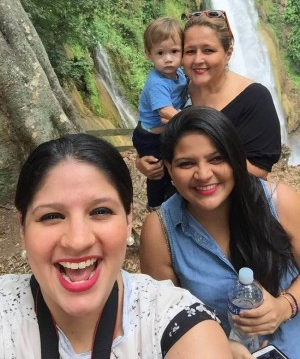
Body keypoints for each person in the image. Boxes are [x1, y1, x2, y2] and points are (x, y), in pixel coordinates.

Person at [0, 133, 233, 358]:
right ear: (22, 227)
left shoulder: (176, 322)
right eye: (51, 216)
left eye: (100, 211)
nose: (78, 241)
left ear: (129, 217)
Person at [139, 107, 300, 359]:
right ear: (169, 169)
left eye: (216, 159)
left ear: (236, 160)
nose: (203, 174)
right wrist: (220, 345)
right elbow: (165, 323)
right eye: (186, 163)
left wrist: (285, 305)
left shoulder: (279, 202)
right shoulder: (159, 232)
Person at [136, 10, 281, 186]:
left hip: (233, 204)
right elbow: (151, 128)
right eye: (190, 51)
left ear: (228, 53)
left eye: (208, 50)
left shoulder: (255, 99)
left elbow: (260, 171)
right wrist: (142, 162)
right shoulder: (179, 87)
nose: (198, 59)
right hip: (178, 199)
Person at [132, 17, 188, 208]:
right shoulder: (157, 83)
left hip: (161, 134)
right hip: (149, 137)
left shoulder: (179, 74)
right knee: (157, 172)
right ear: (149, 54)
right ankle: (155, 205)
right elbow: (166, 113)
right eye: (160, 53)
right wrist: (192, 120)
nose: (168, 59)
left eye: (174, 52)